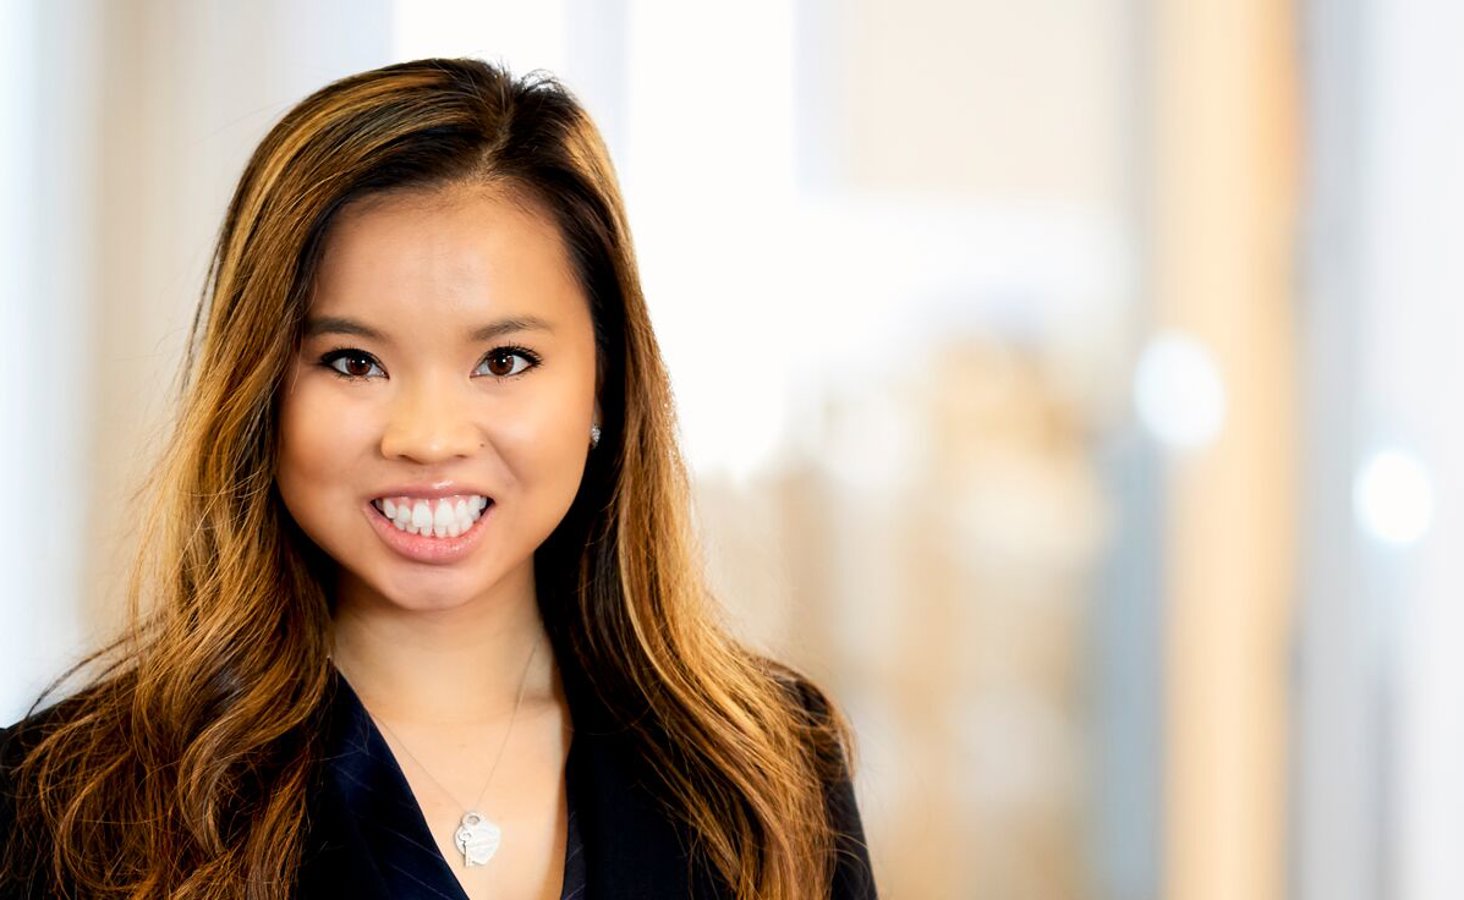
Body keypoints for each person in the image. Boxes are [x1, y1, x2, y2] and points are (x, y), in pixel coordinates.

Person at [0, 58, 876, 900]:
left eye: (503, 359)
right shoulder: (61, 802)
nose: (427, 439)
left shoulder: (768, 765)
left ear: (606, 380)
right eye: (351, 361)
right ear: (260, 387)